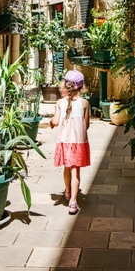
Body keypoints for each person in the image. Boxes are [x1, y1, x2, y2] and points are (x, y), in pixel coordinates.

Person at [50, 70, 90, 214]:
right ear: (82, 86)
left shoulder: (59, 103)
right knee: (75, 172)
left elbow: (54, 121)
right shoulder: (85, 103)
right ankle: (73, 201)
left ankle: (67, 192)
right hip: (78, 142)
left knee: (67, 167)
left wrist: (52, 122)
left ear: (65, 86)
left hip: (64, 142)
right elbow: (87, 125)